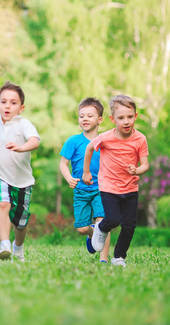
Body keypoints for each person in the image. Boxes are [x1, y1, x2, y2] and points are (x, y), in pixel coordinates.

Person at [0, 82, 40, 261]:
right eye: (3, 102)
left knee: (21, 222)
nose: (7, 106)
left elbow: (35, 141)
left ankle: (17, 246)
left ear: (21, 108)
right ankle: (4, 244)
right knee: (3, 203)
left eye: (13, 103)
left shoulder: (24, 124)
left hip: (23, 180)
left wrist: (20, 148)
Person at [84, 95, 149, 267]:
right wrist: (86, 172)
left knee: (129, 226)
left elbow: (145, 164)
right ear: (113, 119)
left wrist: (138, 170)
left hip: (130, 188)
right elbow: (90, 148)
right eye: (121, 118)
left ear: (135, 116)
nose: (126, 121)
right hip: (109, 186)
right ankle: (100, 228)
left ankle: (119, 256)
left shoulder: (140, 139)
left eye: (130, 117)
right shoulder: (106, 137)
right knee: (112, 219)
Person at [59, 98, 110, 262]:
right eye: (82, 116)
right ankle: (92, 235)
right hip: (80, 190)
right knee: (81, 228)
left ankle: (104, 259)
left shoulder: (105, 141)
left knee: (103, 223)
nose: (85, 119)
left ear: (100, 120)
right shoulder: (73, 141)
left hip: (101, 189)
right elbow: (63, 164)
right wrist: (69, 178)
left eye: (90, 115)